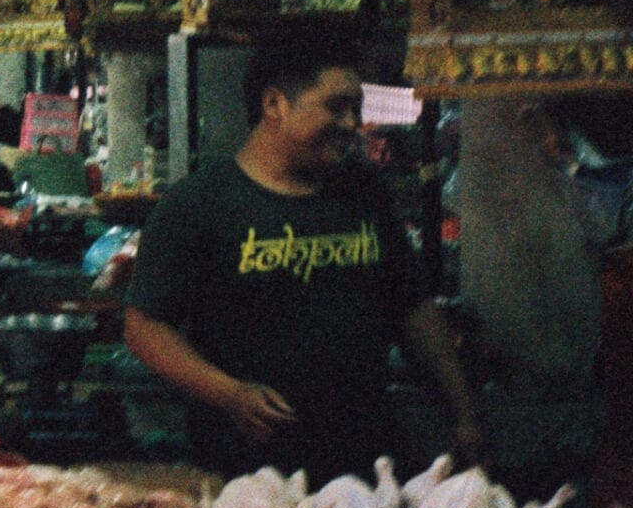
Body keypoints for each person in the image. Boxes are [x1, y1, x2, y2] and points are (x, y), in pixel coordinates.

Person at [125, 40, 481, 482]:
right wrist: (230, 395)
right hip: (246, 470)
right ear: (274, 103)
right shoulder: (198, 204)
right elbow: (144, 328)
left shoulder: (365, 194)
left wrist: (464, 412)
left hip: (365, 463)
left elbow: (413, 309)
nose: (353, 124)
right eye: (337, 107)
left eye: (357, 107)